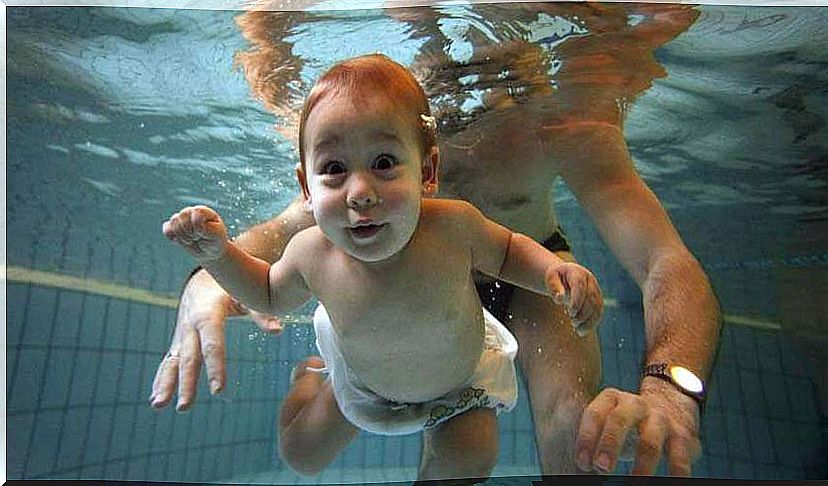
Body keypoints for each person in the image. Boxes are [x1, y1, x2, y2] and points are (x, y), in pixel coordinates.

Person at [151, 2, 722, 477]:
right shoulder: (377, 131)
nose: (467, 51)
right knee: (303, 457)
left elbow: (664, 262)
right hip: (384, 312)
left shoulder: (563, 125)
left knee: (574, 434)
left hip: (524, 271)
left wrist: (671, 388)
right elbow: (271, 241)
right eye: (432, 21)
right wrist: (203, 283)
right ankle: (323, 375)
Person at [161, 53, 604, 481]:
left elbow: (507, 252)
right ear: (306, 187)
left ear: (427, 171)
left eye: (384, 163)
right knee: (301, 456)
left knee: (470, 460)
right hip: (363, 380)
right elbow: (267, 294)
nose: (360, 192)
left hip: (461, 384)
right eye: (334, 168)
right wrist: (218, 256)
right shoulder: (310, 252)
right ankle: (311, 377)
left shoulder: (453, 226)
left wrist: (552, 271)